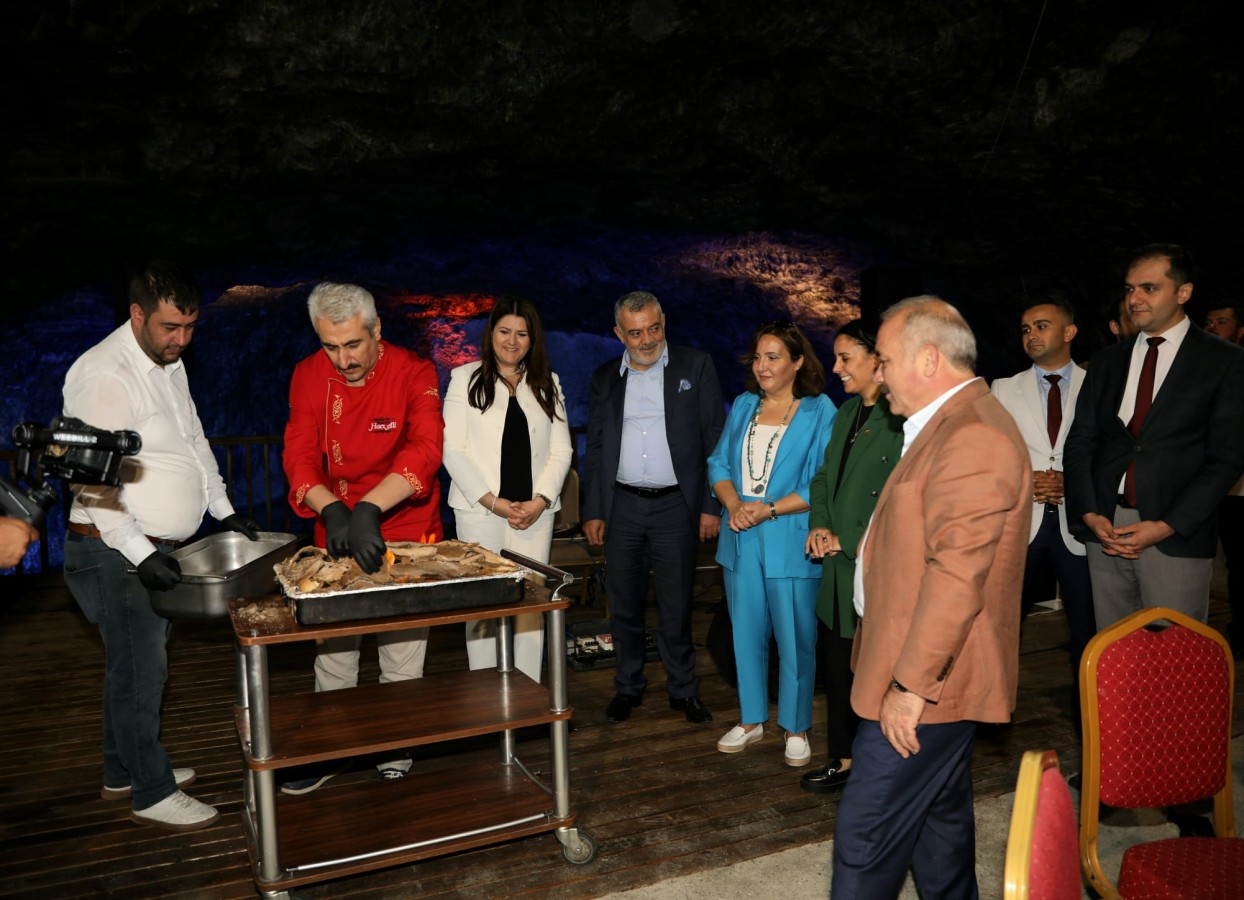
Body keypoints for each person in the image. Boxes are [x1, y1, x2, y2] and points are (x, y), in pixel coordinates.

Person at [831, 296, 1031, 897]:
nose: (879, 373)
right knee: (938, 833)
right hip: (923, 674)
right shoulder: (947, 424)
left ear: (926, 360)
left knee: (864, 840)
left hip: (928, 685)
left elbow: (956, 577)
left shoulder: (973, 435)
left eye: (885, 360)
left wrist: (910, 687)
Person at [61, 261, 261, 831]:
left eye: (191, 328)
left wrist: (223, 508)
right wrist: (141, 552)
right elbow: (90, 480)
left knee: (131, 666)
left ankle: (121, 771)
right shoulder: (105, 375)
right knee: (140, 674)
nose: (182, 340)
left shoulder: (168, 363)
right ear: (137, 314)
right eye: (170, 327)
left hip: (152, 549)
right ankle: (151, 790)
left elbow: (192, 440)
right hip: (116, 551)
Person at [282, 281, 444, 791]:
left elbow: (425, 448)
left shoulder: (415, 372)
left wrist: (371, 508)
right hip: (335, 522)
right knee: (334, 650)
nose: (343, 359)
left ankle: (395, 742)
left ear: (377, 331)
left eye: (353, 344)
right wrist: (333, 510)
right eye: (331, 346)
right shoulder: (308, 374)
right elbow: (299, 454)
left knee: (402, 647)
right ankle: (334, 747)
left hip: (404, 523)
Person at [1064, 244, 1244, 628]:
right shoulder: (1106, 362)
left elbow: (1227, 458)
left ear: (1183, 292)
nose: (1134, 299)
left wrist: (1166, 525)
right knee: (1112, 651)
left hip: (1175, 534)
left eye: (1149, 288)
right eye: (1130, 289)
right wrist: (1090, 513)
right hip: (1105, 531)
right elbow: (1080, 443)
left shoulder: (1224, 361)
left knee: (1175, 655)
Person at [582, 290, 723, 726]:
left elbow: (714, 438)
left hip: (676, 507)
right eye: (636, 333)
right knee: (623, 605)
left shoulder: (695, 365)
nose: (647, 340)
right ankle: (628, 687)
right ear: (618, 334)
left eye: (654, 328)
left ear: (664, 324)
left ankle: (684, 690)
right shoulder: (604, 378)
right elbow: (595, 448)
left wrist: (711, 504)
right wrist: (593, 510)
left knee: (676, 605)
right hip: (621, 506)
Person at [706, 321, 835, 767]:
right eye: (758, 357)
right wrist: (734, 504)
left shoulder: (820, 410)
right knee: (744, 633)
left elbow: (823, 481)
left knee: (796, 638)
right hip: (741, 534)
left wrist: (769, 509)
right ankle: (751, 719)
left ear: (797, 362)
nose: (762, 366)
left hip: (790, 537)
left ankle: (796, 726)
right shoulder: (745, 404)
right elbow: (719, 461)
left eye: (773, 357)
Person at [442, 296, 573, 681]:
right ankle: (486, 693)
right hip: (480, 513)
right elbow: (452, 450)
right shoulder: (464, 378)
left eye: (521, 334)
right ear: (491, 334)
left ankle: (528, 691)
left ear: (533, 340)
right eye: (504, 331)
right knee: (483, 605)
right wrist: (494, 503)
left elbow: (562, 450)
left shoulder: (548, 382)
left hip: (534, 515)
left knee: (531, 605)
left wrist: (541, 501)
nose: (512, 341)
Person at [800, 320, 903, 793]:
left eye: (846, 358)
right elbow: (824, 478)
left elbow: (899, 500)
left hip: (877, 565)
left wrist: (852, 537)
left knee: (878, 671)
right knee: (839, 668)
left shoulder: (899, 418)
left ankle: (880, 765)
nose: (837, 367)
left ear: (877, 359)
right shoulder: (845, 412)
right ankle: (842, 759)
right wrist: (820, 526)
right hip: (838, 567)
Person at [990, 294, 1095, 685]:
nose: (1031, 334)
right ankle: (996, 708)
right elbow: (990, 454)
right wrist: (1026, 478)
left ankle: (1090, 713)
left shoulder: (1097, 384)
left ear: (1069, 332)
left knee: (1087, 629)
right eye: (1025, 329)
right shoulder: (1003, 389)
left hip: (1079, 526)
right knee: (1003, 626)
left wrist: (1072, 482)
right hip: (1022, 521)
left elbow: (1109, 452)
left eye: (1041, 326)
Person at [1202, 302, 1244, 656]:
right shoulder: (1200, 370)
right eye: (1209, 322)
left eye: (1222, 322)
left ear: (1240, 331)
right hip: (1205, 487)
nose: (1213, 327)